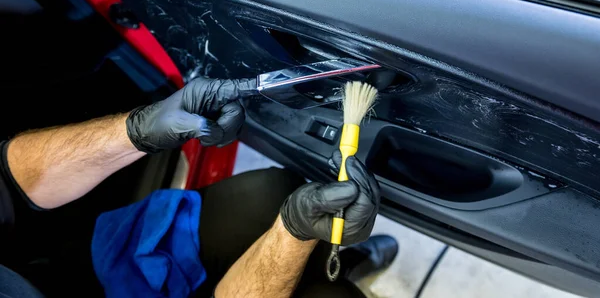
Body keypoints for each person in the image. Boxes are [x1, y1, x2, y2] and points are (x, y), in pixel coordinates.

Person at [0, 78, 398, 297]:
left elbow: (6, 181)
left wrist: (137, 130)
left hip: (85, 274)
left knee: (269, 193)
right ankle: (337, 269)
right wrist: (291, 234)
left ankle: (333, 260)